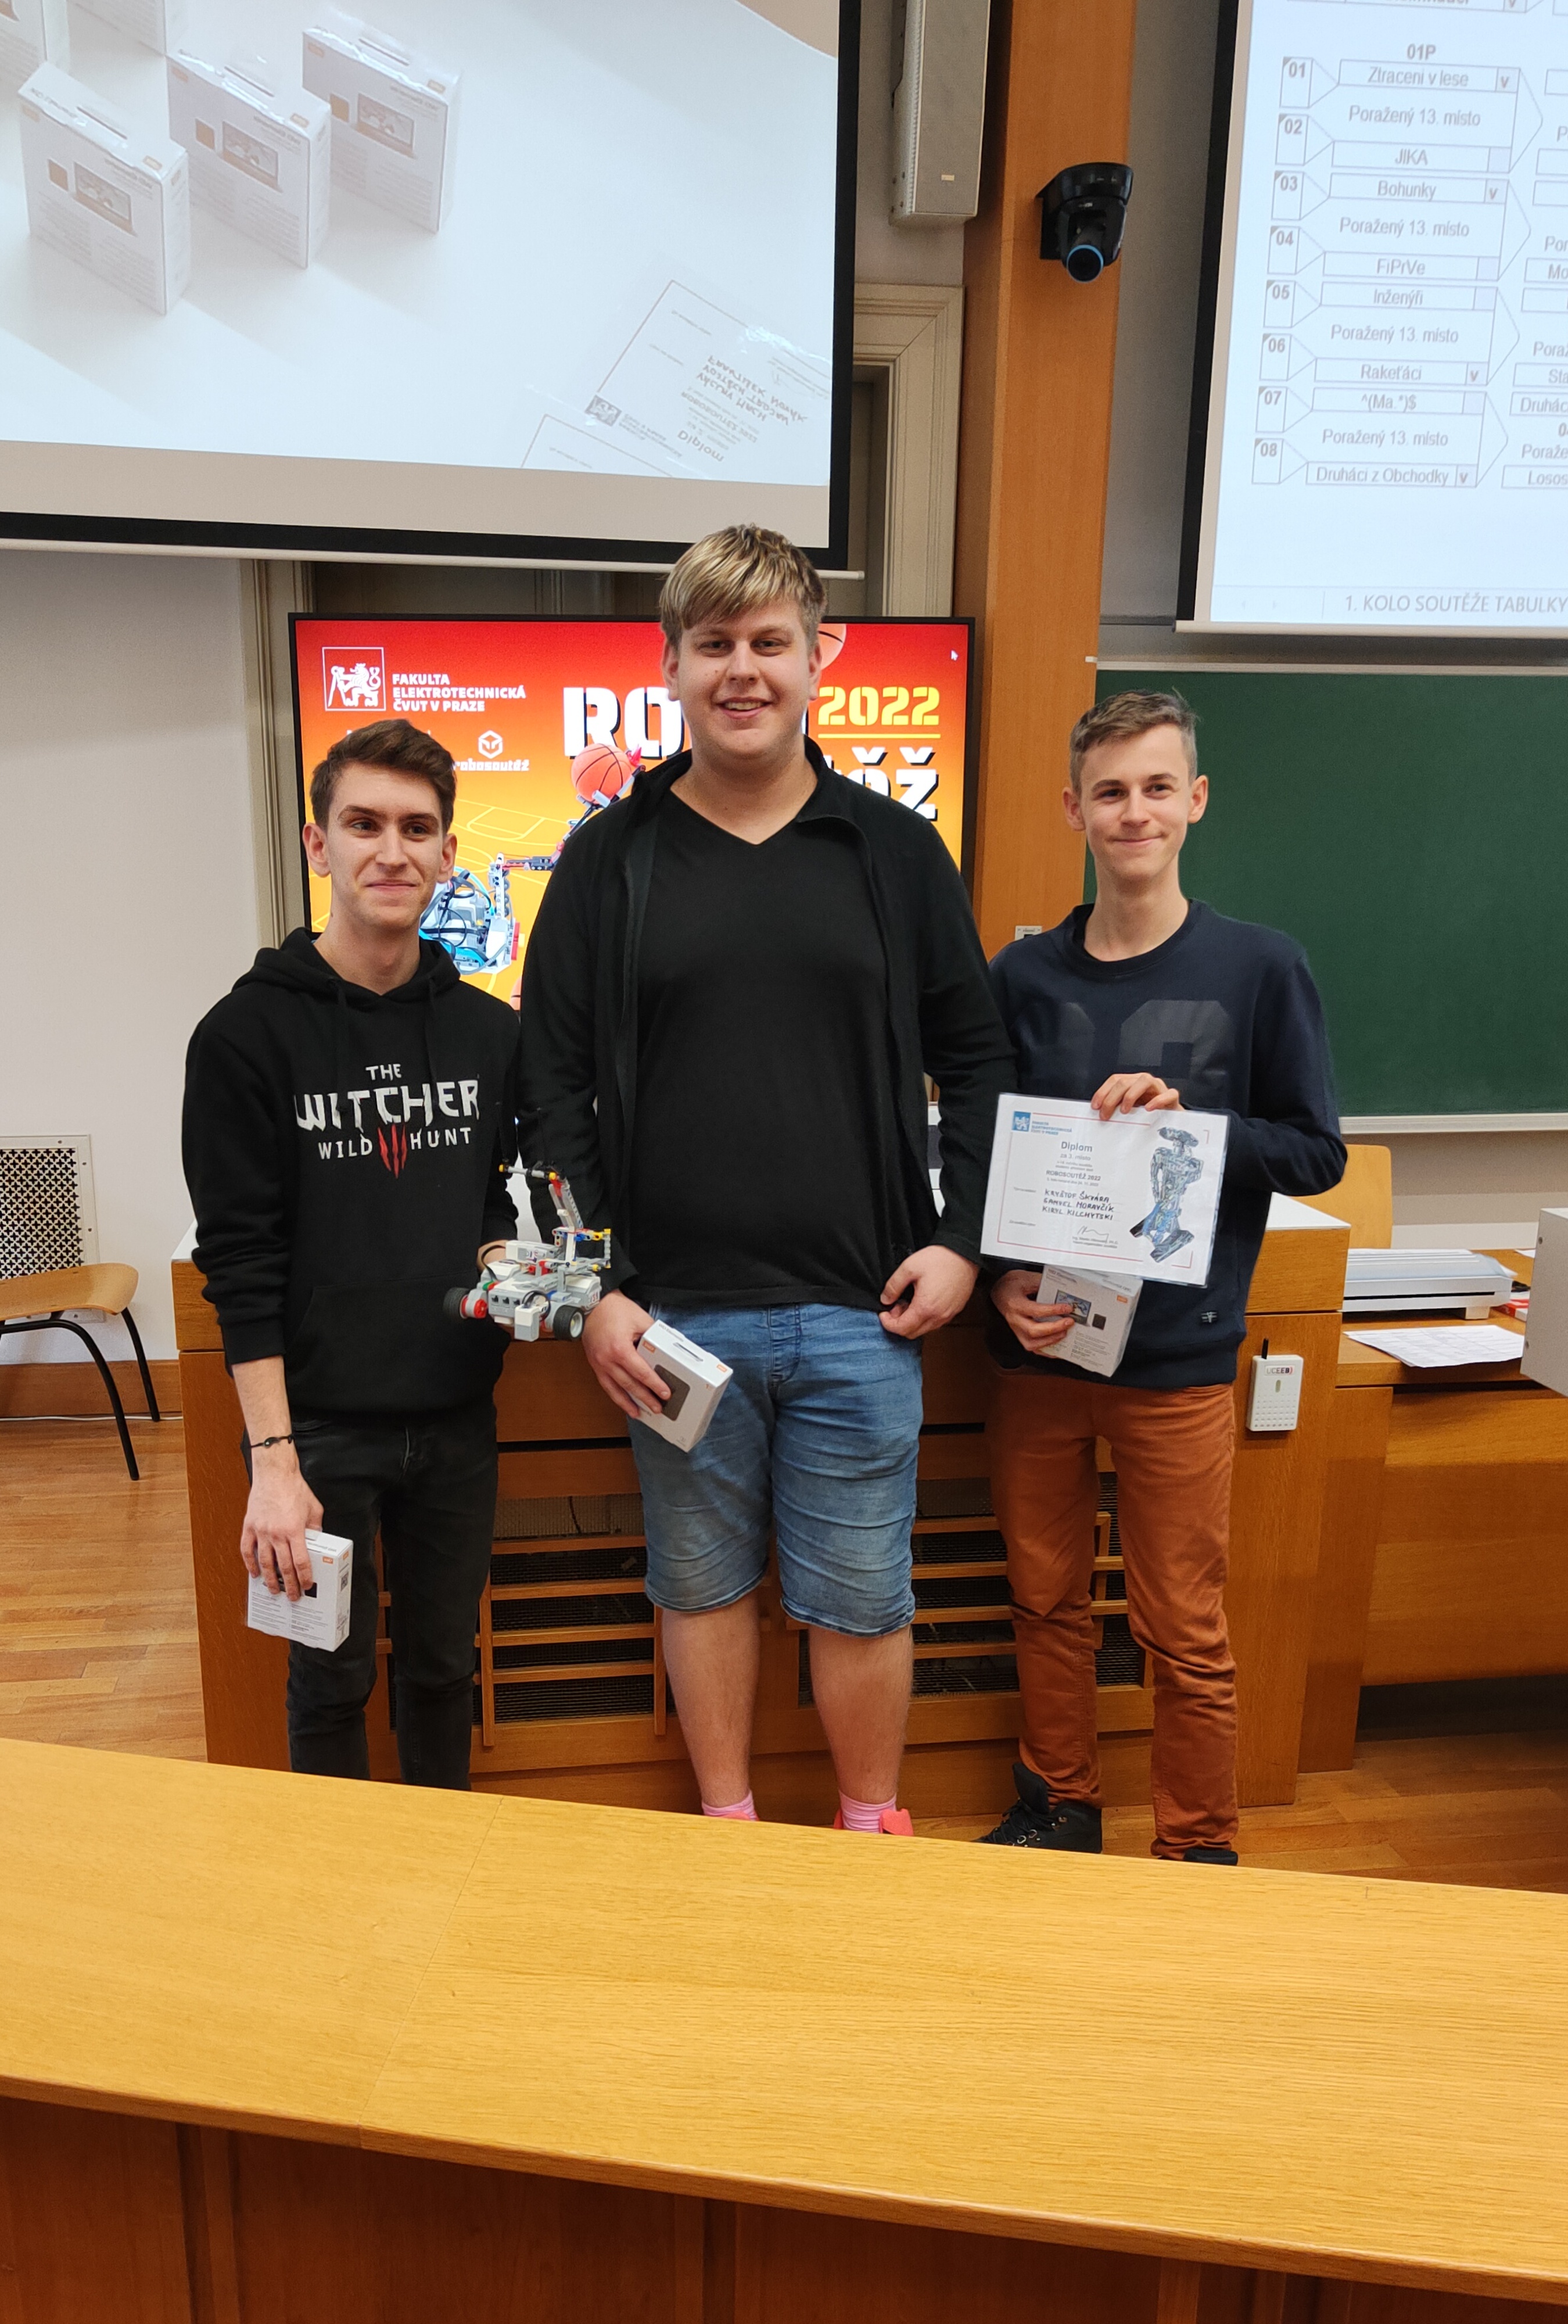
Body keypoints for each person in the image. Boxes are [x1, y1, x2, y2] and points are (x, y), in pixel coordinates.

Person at [518, 525, 1014, 1834]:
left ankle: (868, 1828)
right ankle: (727, 1833)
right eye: (715, 644)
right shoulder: (609, 860)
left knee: (863, 1596)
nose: (743, 669)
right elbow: (550, 1087)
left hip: (866, 1313)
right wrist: (591, 1290)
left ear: (818, 655)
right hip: (672, 1320)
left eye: (769, 642)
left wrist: (964, 1237)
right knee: (700, 1586)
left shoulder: (893, 853)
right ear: (671, 666)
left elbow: (980, 1060)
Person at [981, 690, 1344, 1862]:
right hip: (1041, 1347)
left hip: (1178, 1357)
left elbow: (1317, 1151)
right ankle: (1061, 1805)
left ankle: (1197, 1845)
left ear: (1195, 799)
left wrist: (1194, 1128)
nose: (1132, 812)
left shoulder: (1261, 967)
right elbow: (981, 1152)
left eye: (1155, 787)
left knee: (1183, 1626)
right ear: (1073, 809)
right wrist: (996, 1281)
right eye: (1109, 791)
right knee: (1043, 1597)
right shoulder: (1021, 975)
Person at [182, 717, 521, 1788]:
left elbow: (495, 1202)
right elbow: (241, 1264)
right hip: (316, 1435)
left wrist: (511, 1262)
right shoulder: (243, 1037)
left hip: (457, 1420)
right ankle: (329, 1881)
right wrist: (273, 1465)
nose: (392, 850)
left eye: (417, 829)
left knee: (443, 1673)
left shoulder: (490, 1035)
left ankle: (441, 1867)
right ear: (317, 845)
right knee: (326, 1686)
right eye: (364, 824)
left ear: (448, 854)